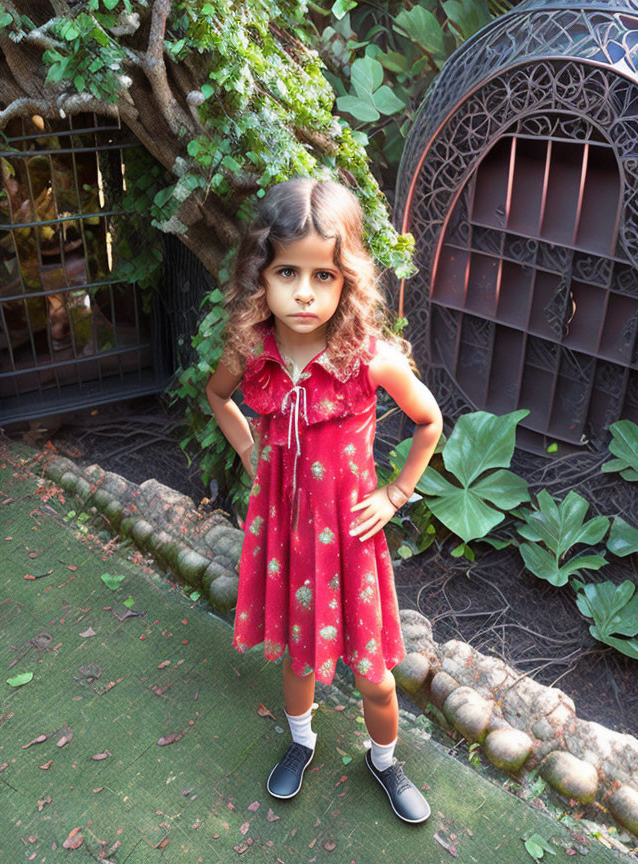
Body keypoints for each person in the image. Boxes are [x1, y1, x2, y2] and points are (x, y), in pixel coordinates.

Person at [205, 177, 443, 824]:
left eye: (324, 275)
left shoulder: (371, 359)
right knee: (298, 655)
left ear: (349, 281)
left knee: (375, 675)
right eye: (287, 271)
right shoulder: (254, 353)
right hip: (286, 532)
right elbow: (217, 396)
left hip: (352, 534)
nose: (304, 292)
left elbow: (430, 421)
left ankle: (385, 760)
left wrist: (396, 492)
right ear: (261, 273)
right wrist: (253, 454)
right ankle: (302, 741)